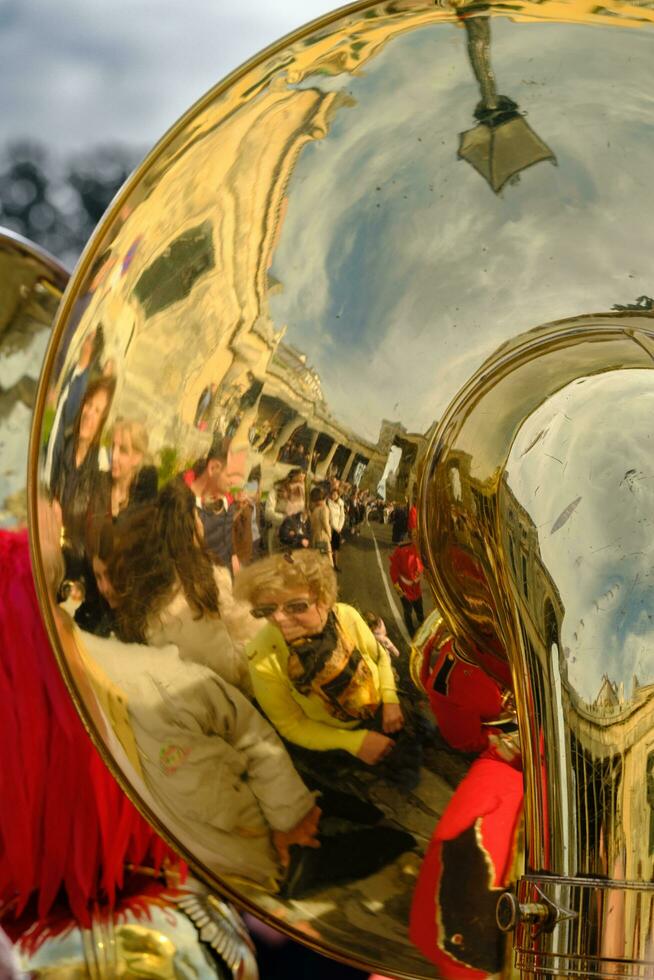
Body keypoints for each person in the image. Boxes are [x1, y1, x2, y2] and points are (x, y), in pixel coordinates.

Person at [234, 551, 404, 767]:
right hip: (336, 742)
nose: (278, 618)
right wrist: (353, 742)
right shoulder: (262, 657)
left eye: (296, 606)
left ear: (324, 599)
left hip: (386, 712)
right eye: (266, 610)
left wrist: (390, 699)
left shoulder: (346, 616)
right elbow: (291, 725)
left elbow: (379, 656)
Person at [109, 479, 255, 693]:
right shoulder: (203, 585)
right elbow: (229, 669)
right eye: (199, 514)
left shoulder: (143, 577)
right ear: (193, 524)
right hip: (204, 695)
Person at [51, 374, 116, 575]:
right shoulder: (63, 446)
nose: (89, 414)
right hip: (42, 548)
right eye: (88, 404)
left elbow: (90, 541)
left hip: (70, 566)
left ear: (103, 421)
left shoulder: (100, 470)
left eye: (97, 411)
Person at [389, 535, 425, 635]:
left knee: (419, 608)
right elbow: (394, 571)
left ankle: (422, 623)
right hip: (405, 588)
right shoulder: (401, 551)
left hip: (416, 587)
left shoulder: (422, 549)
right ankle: (410, 629)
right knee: (408, 610)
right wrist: (398, 589)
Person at [309, 487, 333, 565]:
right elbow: (325, 523)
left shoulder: (314, 510)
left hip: (314, 537)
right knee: (325, 560)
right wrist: (329, 535)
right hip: (322, 536)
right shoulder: (324, 509)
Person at [326, 486, 345, 571]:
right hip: (329, 527)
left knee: (336, 547)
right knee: (327, 546)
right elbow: (327, 516)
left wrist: (339, 527)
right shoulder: (328, 502)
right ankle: (327, 564)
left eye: (336, 494)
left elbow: (342, 516)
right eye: (333, 494)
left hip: (337, 528)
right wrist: (333, 526)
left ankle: (335, 565)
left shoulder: (340, 504)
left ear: (338, 495)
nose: (334, 496)